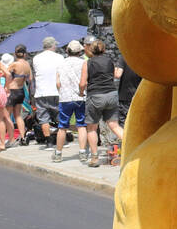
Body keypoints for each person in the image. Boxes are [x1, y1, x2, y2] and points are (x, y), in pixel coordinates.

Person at [82, 39, 124, 168]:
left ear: (90, 50)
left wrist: (80, 91)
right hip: (111, 94)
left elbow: (83, 83)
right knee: (114, 125)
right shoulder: (109, 61)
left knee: (92, 128)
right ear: (104, 49)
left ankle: (95, 158)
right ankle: (131, 147)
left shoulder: (88, 63)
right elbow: (113, 76)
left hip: (95, 96)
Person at [53, 40, 88, 163]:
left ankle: (58, 153)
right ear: (80, 51)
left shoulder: (61, 64)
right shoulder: (84, 62)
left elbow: (58, 83)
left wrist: (61, 92)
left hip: (65, 98)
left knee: (62, 126)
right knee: (81, 125)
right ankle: (83, 152)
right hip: (80, 97)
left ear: (67, 51)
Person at [31, 36, 64, 149]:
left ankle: (49, 142)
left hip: (41, 91)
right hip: (56, 90)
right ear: (53, 45)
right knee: (60, 116)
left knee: (44, 118)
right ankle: (61, 140)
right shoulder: (60, 57)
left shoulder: (36, 58)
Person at [7, 45, 33, 144]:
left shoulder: (14, 65)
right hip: (21, 91)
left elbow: (6, 75)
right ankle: (22, 137)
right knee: (18, 115)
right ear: (25, 54)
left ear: (15, 54)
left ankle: (11, 138)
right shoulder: (27, 64)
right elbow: (30, 79)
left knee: (6, 116)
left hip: (12, 91)